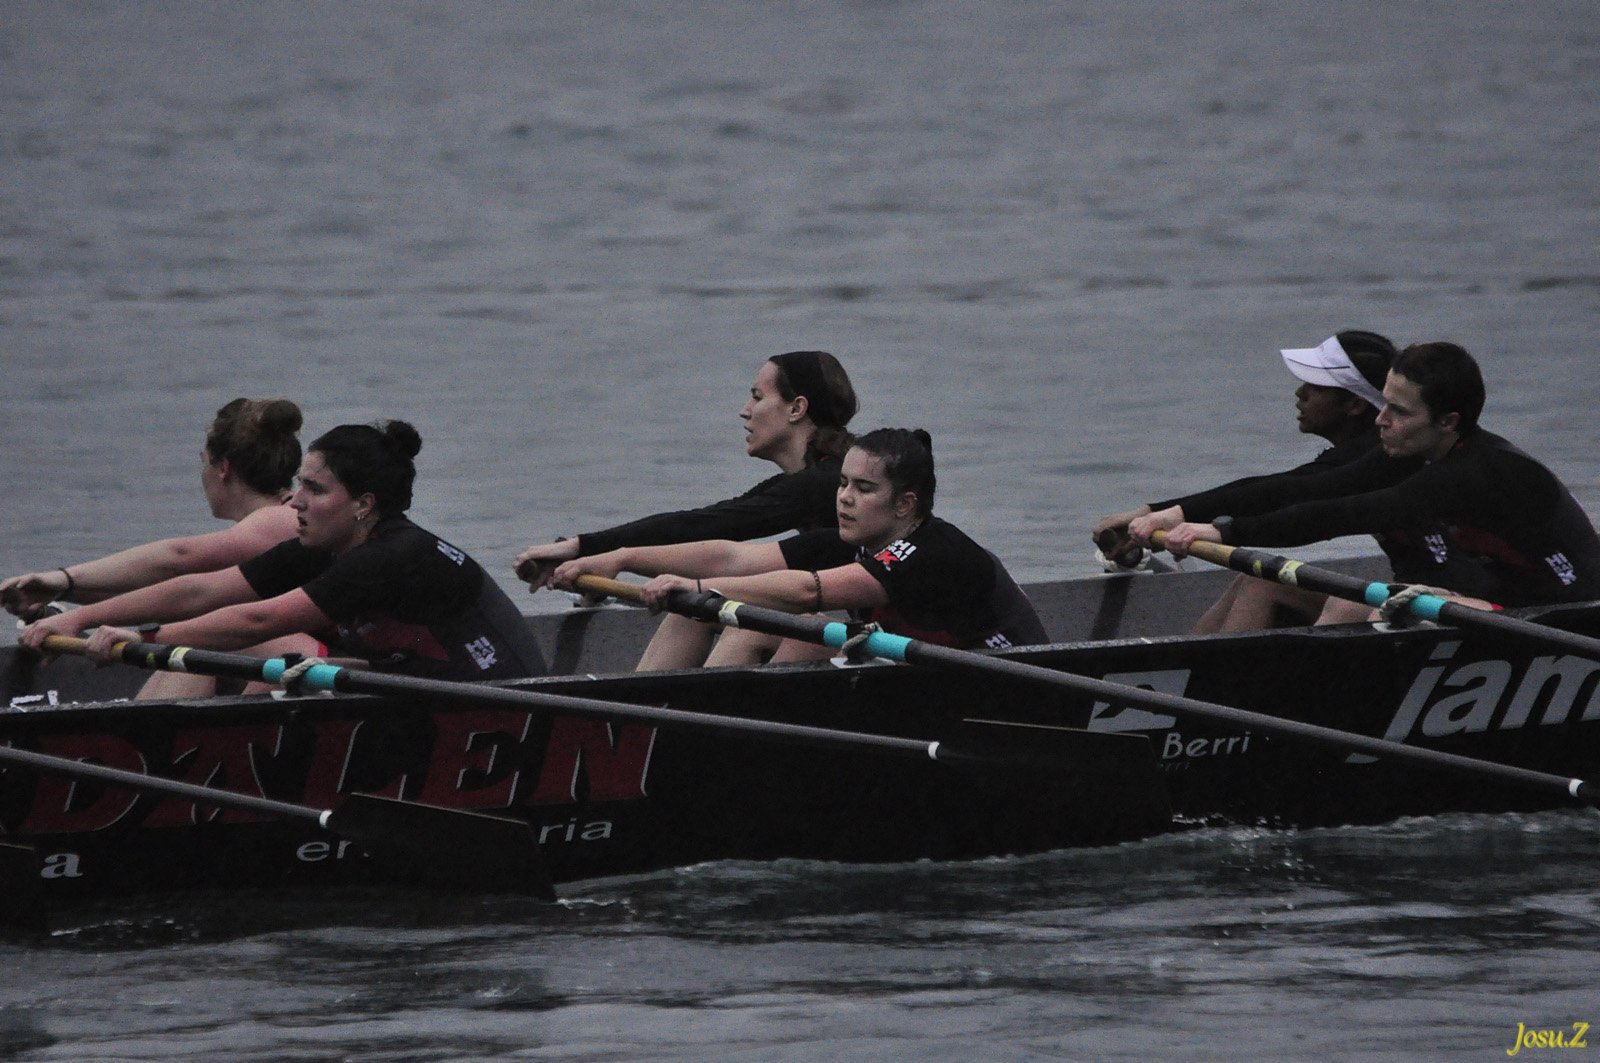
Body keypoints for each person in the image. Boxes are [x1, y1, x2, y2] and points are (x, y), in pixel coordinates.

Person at [21, 420, 546, 691]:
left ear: (364, 504)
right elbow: (201, 589)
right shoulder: (322, 544)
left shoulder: (393, 555)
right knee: (257, 657)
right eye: (299, 485)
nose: (294, 501)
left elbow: (257, 618)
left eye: (314, 490)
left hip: (493, 700)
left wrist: (145, 639)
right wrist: (84, 617)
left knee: (264, 644)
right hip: (411, 684)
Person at [1154, 342, 1600, 624]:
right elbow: (1312, 492)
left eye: (1399, 412)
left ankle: (1298, 726)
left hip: (1564, 615)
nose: (1381, 421)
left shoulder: (1479, 473)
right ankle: (1212, 711)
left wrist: (1228, 532)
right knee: (1262, 582)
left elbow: (1350, 514)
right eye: (1384, 404)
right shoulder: (1416, 451)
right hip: (1493, 598)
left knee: (1351, 607)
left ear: (1448, 422)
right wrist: (1194, 517)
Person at [550, 428, 1047, 670]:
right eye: (843, 483)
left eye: (864, 489)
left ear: (905, 504)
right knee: (703, 612)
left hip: (1008, 681)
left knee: (787, 618)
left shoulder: (932, 548)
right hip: (919, 676)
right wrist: (620, 557)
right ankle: (655, 728)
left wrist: (698, 588)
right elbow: (733, 558)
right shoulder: (852, 538)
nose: (846, 497)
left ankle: (691, 740)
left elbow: (809, 590)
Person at [515, 349, 858, 662]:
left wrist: (605, 554)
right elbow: (710, 528)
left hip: (882, 643)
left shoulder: (827, 483)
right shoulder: (812, 481)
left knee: (741, 620)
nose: (745, 410)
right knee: (693, 609)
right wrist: (588, 552)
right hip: (843, 618)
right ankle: (648, 720)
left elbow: (711, 534)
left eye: (757, 397)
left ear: (797, 408)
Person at [1092, 330, 1397, 631]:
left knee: (1344, 606)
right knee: (1258, 582)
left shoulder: (1394, 460)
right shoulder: (1366, 456)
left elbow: (1296, 500)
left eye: (1315, 387)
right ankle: (1188, 672)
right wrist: (1160, 514)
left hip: (1436, 596)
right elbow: (1279, 489)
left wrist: (1216, 530)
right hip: (1411, 590)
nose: (1299, 393)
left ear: (1355, 405)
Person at [2, 397, 305, 620]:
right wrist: (61, 592)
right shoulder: (268, 525)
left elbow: (179, 558)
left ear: (223, 468)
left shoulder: (288, 518)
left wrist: (65, 577)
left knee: (200, 626)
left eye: (203, 461)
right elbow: (165, 590)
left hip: (325, 660)